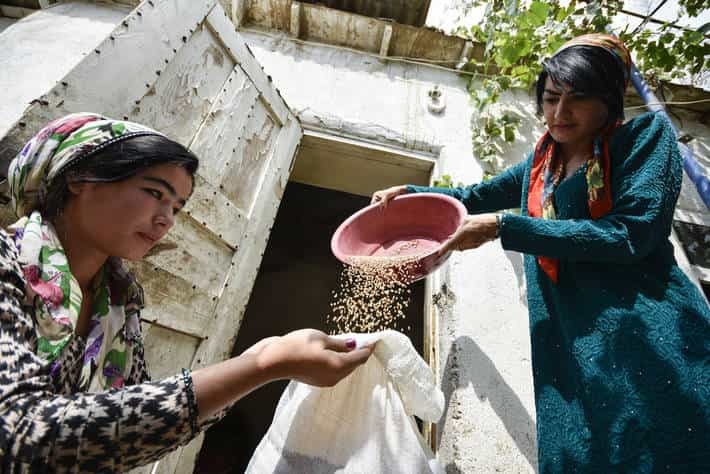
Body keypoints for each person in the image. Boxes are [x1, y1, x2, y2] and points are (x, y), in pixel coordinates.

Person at [372, 34, 709, 473]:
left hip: (646, 330)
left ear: (609, 99)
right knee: (585, 450)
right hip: (565, 340)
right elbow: (473, 195)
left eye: (577, 99)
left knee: (668, 440)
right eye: (550, 98)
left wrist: (504, 227)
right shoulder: (541, 165)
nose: (559, 113)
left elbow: (632, 234)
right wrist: (412, 196)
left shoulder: (644, 138)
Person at [0, 113, 373, 471]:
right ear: (80, 179)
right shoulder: (7, 262)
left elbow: (130, 429)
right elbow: (19, 436)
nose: (166, 219)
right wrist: (262, 365)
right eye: (153, 192)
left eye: (176, 207)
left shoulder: (117, 305)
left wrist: (261, 356)